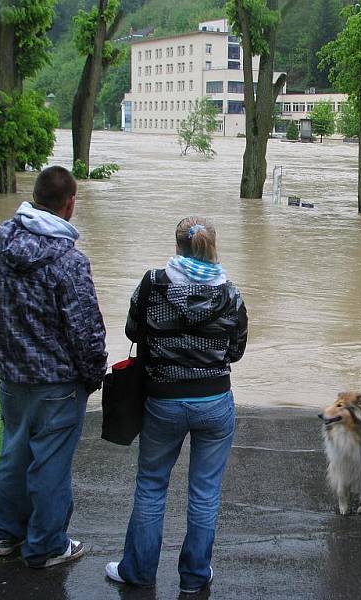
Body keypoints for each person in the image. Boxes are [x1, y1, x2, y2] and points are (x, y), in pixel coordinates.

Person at [0, 165, 107, 567]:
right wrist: (93, 375)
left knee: (14, 454)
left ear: (35, 196)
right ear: (70, 204)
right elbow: (86, 330)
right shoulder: (68, 260)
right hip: (57, 382)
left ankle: (4, 536)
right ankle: (46, 546)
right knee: (50, 465)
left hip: (12, 375)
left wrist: (0, 355)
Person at [106, 217, 248, 595]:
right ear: (212, 246)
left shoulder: (153, 283)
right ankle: (195, 577)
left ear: (177, 245)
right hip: (215, 401)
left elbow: (133, 331)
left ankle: (137, 572)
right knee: (205, 493)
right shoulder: (230, 293)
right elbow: (236, 351)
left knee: (152, 486)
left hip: (163, 400)